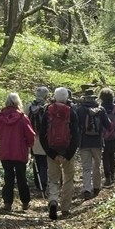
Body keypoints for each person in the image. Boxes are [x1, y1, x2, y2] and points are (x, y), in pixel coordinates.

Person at [0, 92, 35, 212]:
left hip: (5, 152)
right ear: (17, 103)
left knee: (8, 177)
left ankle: (7, 203)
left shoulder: (0, 117)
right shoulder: (22, 117)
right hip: (19, 152)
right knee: (21, 178)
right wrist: (29, 145)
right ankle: (25, 202)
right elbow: (30, 135)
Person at [42, 85, 78, 220]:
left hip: (52, 150)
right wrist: (68, 154)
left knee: (53, 179)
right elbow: (75, 135)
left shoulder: (48, 111)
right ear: (67, 98)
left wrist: (51, 154)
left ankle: (53, 200)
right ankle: (65, 208)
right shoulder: (71, 111)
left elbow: (43, 135)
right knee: (68, 178)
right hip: (67, 150)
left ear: (55, 97)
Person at [75, 85, 106, 199]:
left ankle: (87, 189)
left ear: (85, 98)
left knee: (86, 167)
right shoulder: (101, 110)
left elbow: (76, 126)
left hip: (84, 143)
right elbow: (107, 125)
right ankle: (97, 187)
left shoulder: (80, 110)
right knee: (97, 166)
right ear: (94, 98)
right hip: (97, 143)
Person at [27, 84, 50, 204]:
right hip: (44, 138)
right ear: (45, 96)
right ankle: (43, 183)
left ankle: (37, 184)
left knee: (35, 160)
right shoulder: (47, 107)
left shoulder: (29, 106)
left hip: (32, 137)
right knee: (44, 163)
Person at [99, 88, 115, 187]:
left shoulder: (99, 108)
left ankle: (107, 178)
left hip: (103, 136)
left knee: (105, 155)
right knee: (112, 154)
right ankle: (113, 175)